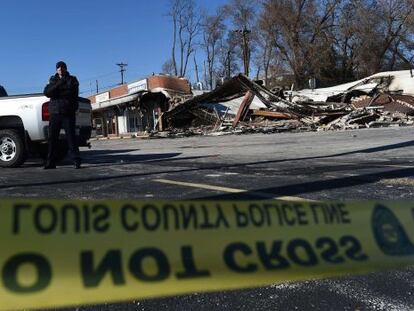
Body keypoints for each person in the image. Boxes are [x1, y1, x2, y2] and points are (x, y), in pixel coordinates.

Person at [43, 61, 81, 169]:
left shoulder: (72, 79)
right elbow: (47, 92)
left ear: (65, 68)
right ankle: (50, 162)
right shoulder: (53, 79)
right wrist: (59, 84)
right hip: (55, 113)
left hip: (68, 113)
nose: (60, 68)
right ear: (56, 69)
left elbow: (72, 94)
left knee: (71, 138)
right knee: (52, 139)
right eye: (58, 67)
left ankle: (76, 160)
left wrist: (57, 93)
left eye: (62, 67)